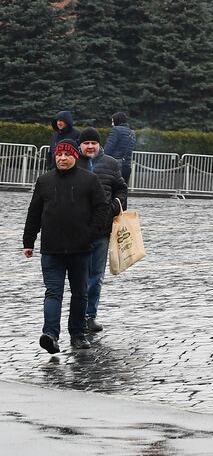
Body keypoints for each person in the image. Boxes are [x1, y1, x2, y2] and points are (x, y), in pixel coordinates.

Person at [23, 140, 108, 353]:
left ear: (74, 157)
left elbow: (101, 209)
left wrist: (91, 234)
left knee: (80, 293)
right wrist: (28, 241)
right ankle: (50, 334)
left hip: (81, 249)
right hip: (52, 249)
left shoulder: (89, 180)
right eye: (58, 154)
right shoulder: (44, 181)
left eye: (66, 155)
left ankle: (77, 334)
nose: (62, 158)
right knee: (53, 292)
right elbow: (34, 212)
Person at [77, 128, 127, 335]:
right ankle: (76, 315)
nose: (90, 146)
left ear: (99, 145)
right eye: (86, 142)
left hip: (101, 229)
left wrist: (115, 206)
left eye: (93, 143)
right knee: (78, 275)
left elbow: (121, 189)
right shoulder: (71, 161)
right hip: (77, 229)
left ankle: (90, 316)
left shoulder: (111, 163)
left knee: (96, 276)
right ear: (80, 145)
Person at [104, 112, 138, 186]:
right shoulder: (132, 132)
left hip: (115, 165)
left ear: (117, 120)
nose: (112, 124)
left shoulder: (116, 130)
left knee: (111, 188)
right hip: (127, 166)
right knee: (122, 189)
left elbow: (109, 147)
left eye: (113, 121)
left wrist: (102, 159)